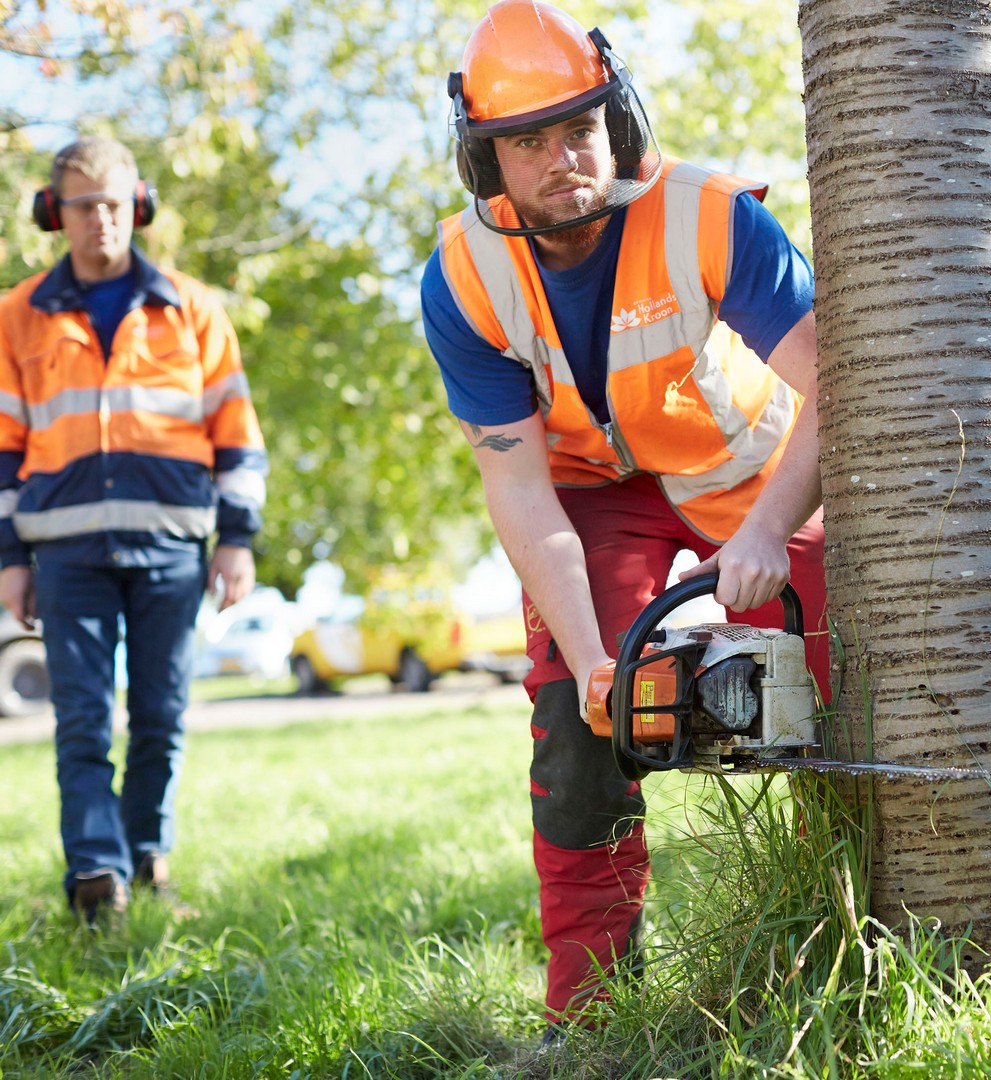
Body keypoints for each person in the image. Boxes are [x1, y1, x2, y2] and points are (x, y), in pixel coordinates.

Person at [420, 0, 829, 1038]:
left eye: (580, 127)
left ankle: (867, 932)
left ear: (619, 119)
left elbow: (836, 389)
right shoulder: (460, 278)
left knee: (857, 667)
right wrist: (593, 649)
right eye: (527, 141)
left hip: (757, 476)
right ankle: (594, 1019)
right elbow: (516, 488)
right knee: (574, 719)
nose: (564, 158)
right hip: (588, 500)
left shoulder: (709, 215)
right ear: (485, 161)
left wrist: (770, 531)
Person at [0, 136, 268, 926]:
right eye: (83, 206)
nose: (101, 221)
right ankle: (95, 880)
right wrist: (9, 558)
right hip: (67, 553)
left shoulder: (191, 307)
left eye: (114, 204)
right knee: (81, 718)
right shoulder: (17, 317)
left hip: (172, 550)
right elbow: (3, 448)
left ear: (138, 206)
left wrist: (238, 538)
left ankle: (147, 858)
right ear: (56, 214)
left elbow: (236, 433)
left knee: (160, 716)